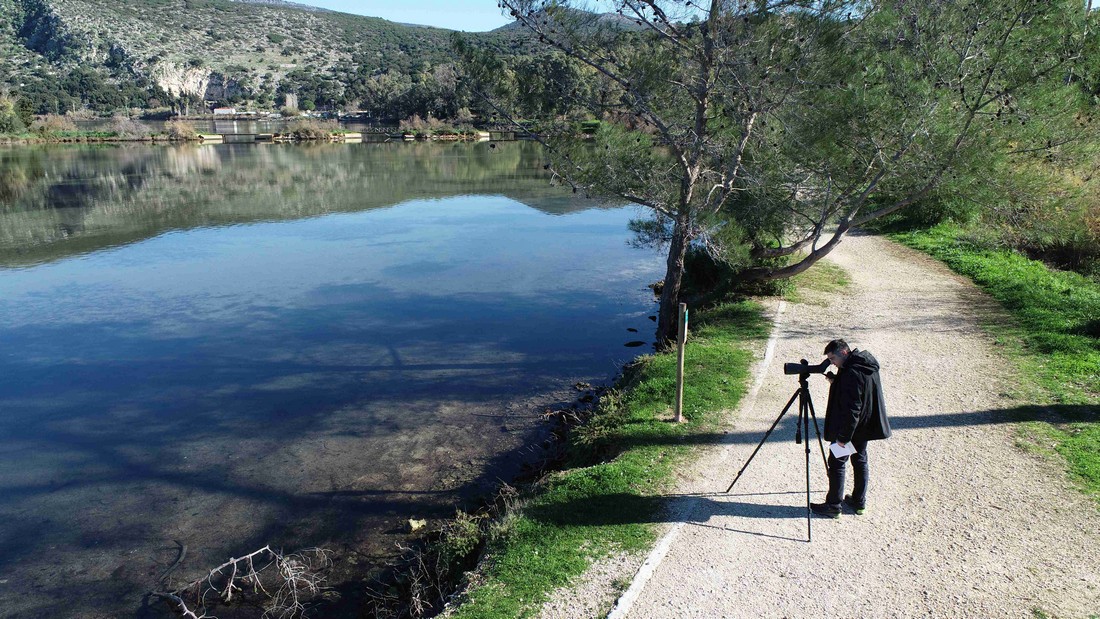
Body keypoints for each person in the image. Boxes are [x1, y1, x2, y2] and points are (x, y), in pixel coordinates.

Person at [810, 338, 891, 518]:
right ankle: (858, 502)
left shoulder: (851, 374)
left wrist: (842, 438)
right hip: (864, 427)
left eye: (832, 359)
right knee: (860, 460)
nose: (831, 363)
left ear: (844, 353)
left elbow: (853, 408)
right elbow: (859, 392)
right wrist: (836, 381)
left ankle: (833, 505)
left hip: (850, 429)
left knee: (837, 463)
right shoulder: (864, 364)